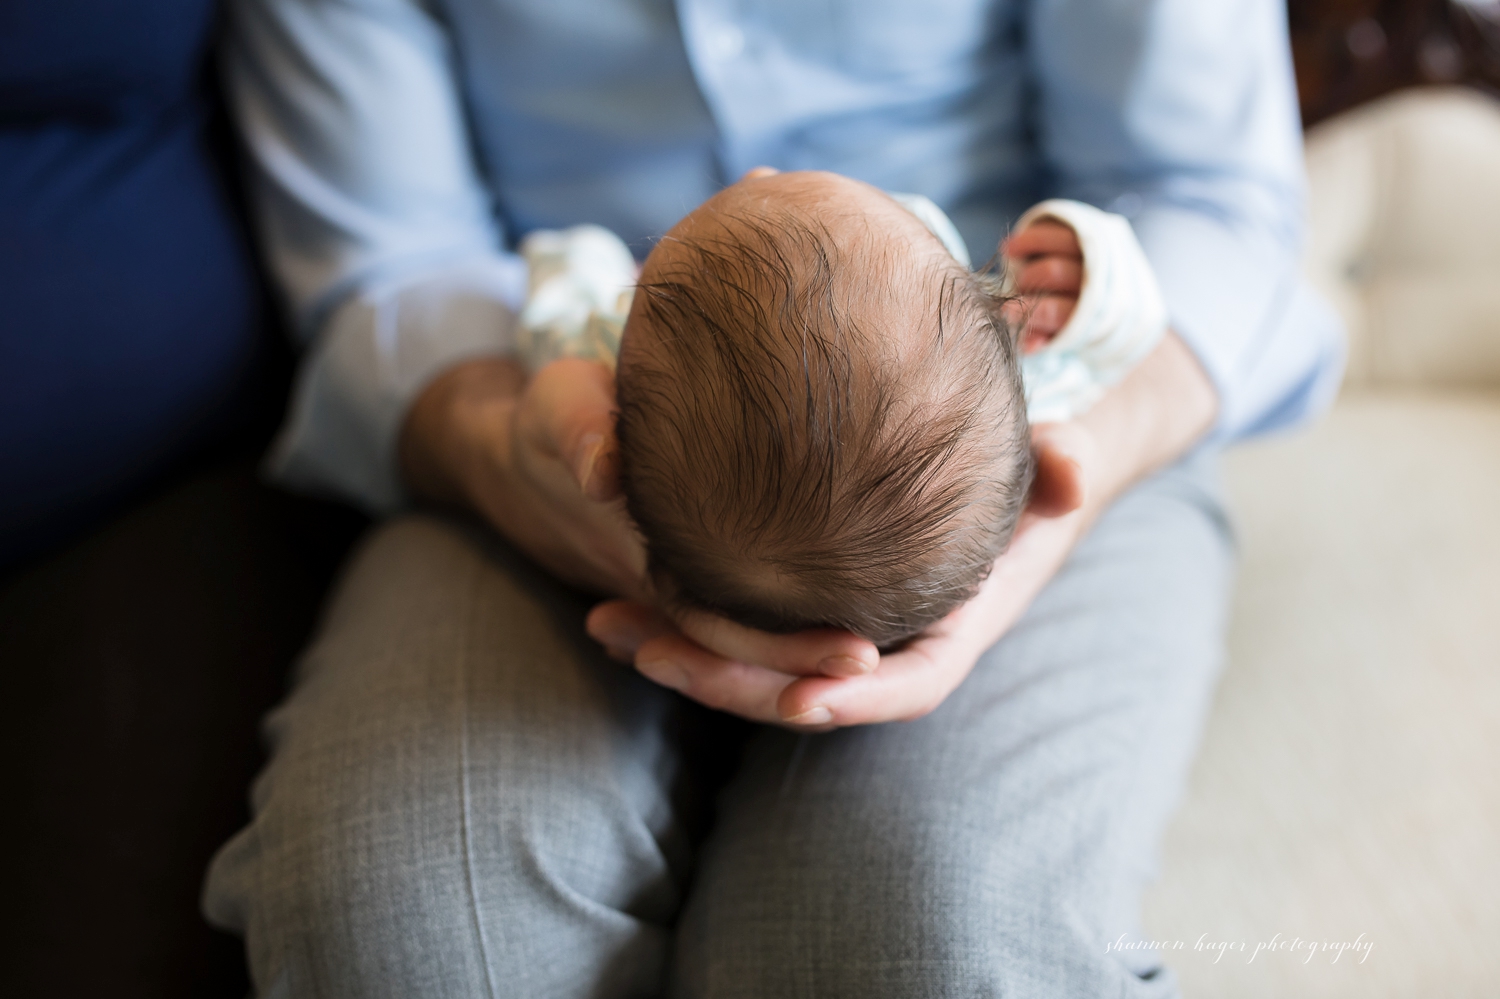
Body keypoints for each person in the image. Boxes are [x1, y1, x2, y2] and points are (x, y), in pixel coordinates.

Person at [204, 0, 1344, 995]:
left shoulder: (1015, 359)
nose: (749, 188)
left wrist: (1049, 430)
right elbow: (389, 267)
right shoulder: (584, 352)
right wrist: (518, 438)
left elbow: (1212, 212)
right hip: (551, 439)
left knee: (932, 941)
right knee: (406, 926)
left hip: (998, 429)